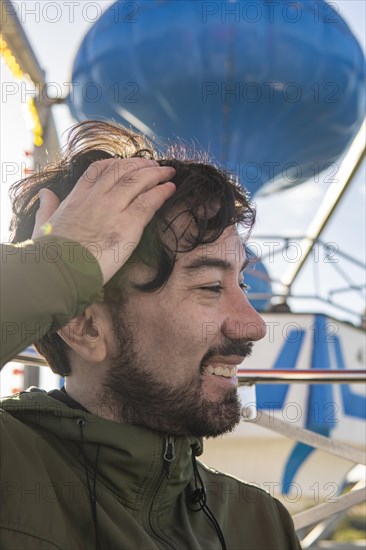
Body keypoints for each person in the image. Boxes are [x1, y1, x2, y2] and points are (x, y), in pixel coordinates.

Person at [0, 121, 301, 549]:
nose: (252, 325)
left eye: (243, 284)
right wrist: (58, 263)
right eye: (210, 287)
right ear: (86, 326)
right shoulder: (11, 477)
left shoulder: (260, 521)